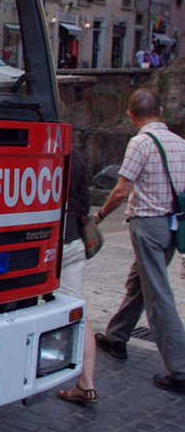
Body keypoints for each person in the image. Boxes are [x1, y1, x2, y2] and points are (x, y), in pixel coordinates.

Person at [94, 89, 185, 394]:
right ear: (161, 110)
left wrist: (101, 216)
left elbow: (121, 191)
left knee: (158, 293)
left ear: (131, 116)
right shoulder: (180, 143)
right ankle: (117, 337)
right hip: (175, 226)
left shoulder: (140, 143)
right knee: (140, 283)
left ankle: (180, 369)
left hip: (148, 224)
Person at [56, 153, 99, 404]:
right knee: (77, 310)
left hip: (42, 244)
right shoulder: (76, 158)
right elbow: (84, 203)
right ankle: (86, 384)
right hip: (72, 241)